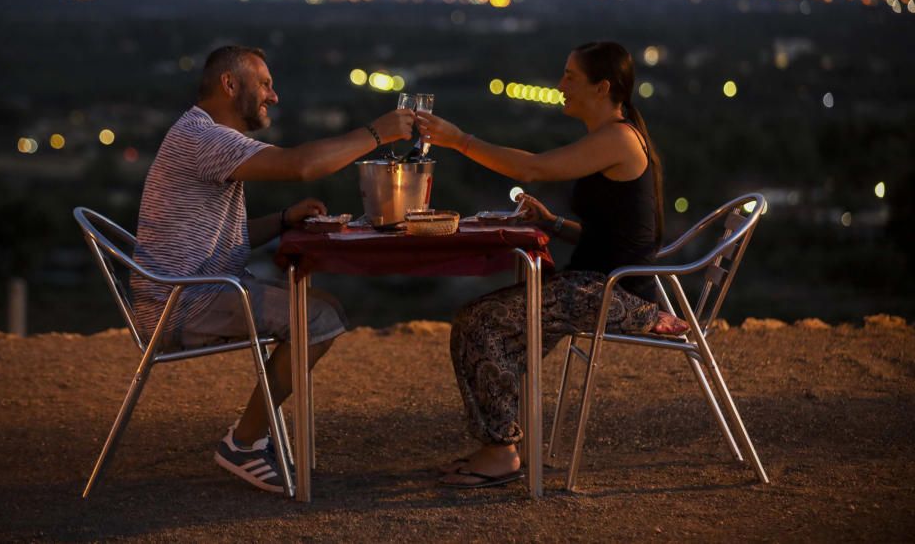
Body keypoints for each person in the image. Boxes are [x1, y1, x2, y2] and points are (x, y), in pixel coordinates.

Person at [133, 45, 414, 493]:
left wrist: (283, 220)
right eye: (264, 83)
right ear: (230, 84)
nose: (274, 95)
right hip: (183, 303)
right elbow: (301, 166)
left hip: (191, 291)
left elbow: (222, 232)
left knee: (319, 308)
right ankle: (243, 444)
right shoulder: (204, 138)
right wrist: (376, 133)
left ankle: (252, 436)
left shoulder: (200, 134)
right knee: (318, 318)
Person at [416, 41, 674, 488]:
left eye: (571, 77)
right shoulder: (611, 137)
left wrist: (458, 140)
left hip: (617, 295)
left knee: (481, 323)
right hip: (600, 285)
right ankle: (497, 445)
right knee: (486, 321)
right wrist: (554, 223)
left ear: (602, 87)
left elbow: (533, 168)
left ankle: (500, 453)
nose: (560, 86)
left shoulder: (617, 138)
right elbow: (615, 235)